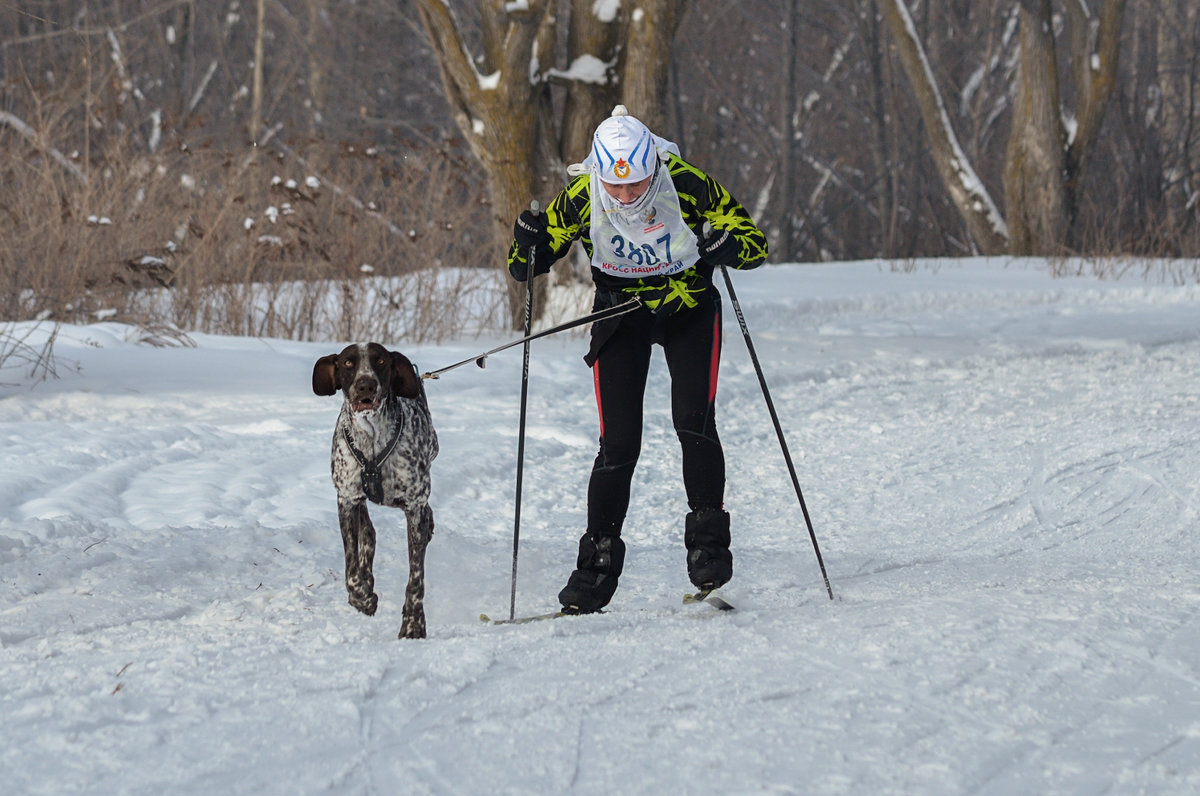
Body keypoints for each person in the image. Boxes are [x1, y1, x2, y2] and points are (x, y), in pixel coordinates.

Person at [507, 105, 767, 614]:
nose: (626, 196)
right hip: (620, 315)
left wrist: (724, 245)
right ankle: (595, 569)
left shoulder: (688, 185)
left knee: (693, 422)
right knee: (618, 443)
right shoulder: (582, 197)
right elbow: (526, 269)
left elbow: (755, 246)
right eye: (617, 187)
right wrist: (527, 240)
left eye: (638, 184)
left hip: (688, 310)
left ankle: (708, 547)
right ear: (601, 173)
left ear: (654, 166)